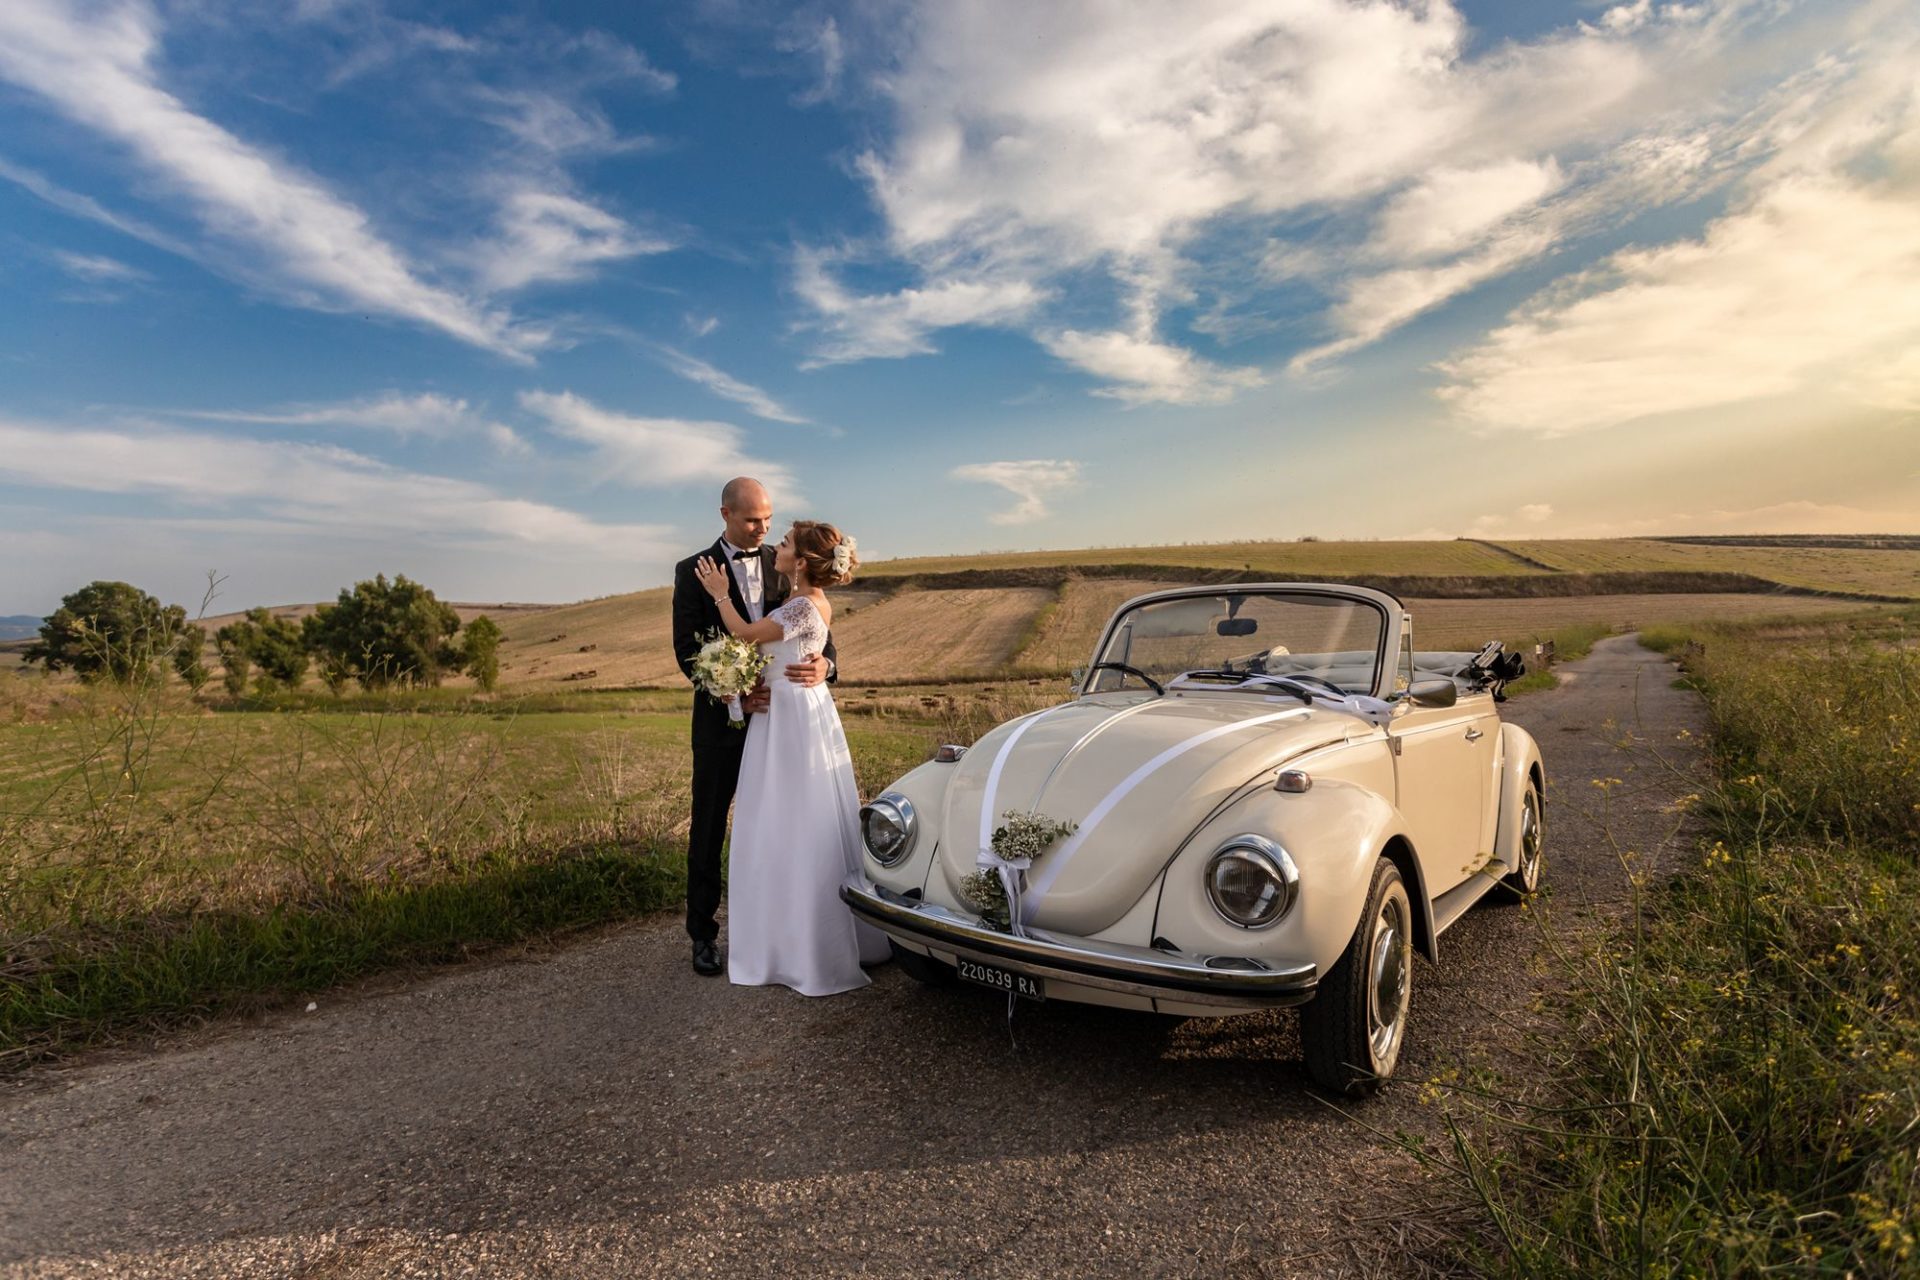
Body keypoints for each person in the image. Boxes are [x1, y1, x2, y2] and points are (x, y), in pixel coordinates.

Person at [692, 520, 891, 995]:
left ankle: (806, 942)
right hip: (786, 712)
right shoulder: (803, 601)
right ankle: (788, 934)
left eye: (784, 541)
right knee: (784, 820)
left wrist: (721, 594)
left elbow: (742, 633)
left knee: (795, 820)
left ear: (801, 561)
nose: (774, 541)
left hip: (790, 718)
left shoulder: (801, 603)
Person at [671, 478, 834, 977]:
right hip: (723, 724)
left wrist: (827, 667)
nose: (762, 528)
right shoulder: (692, 571)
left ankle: (781, 929)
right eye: (751, 520)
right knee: (708, 828)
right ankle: (703, 935)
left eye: (767, 519)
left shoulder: (786, 563)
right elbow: (687, 650)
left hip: (784, 724)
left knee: (784, 825)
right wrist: (735, 694)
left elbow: (821, 635)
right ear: (725, 514)